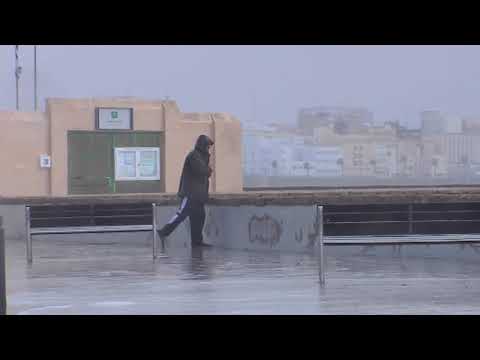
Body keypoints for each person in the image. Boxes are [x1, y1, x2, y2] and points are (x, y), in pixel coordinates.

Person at [157, 134, 214, 247]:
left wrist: (207, 167)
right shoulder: (194, 156)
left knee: (199, 218)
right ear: (202, 145)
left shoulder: (201, 156)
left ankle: (197, 242)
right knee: (181, 214)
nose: (209, 149)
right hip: (191, 193)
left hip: (199, 195)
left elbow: (204, 172)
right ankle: (163, 231)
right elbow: (202, 171)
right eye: (207, 146)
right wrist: (209, 169)